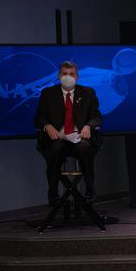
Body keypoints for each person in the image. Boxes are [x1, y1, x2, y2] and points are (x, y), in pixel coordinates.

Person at [35, 60, 102, 204]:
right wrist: (47, 126)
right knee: (55, 150)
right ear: (59, 76)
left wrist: (88, 126)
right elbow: (39, 117)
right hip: (57, 138)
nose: (68, 77)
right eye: (64, 74)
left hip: (79, 137)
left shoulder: (88, 93)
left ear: (77, 77)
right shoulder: (48, 93)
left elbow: (96, 116)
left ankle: (90, 190)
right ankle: (53, 193)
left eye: (71, 74)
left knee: (84, 148)